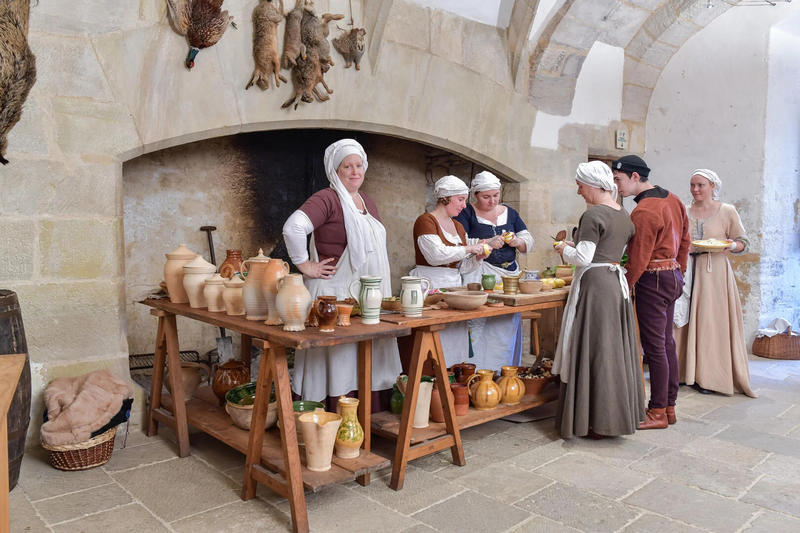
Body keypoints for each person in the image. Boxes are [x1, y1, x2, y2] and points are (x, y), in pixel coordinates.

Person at [282, 138, 401, 409]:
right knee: (340, 357)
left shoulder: (366, 201)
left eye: (359, 165)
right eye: (347, 166)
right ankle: (334, 413)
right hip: (334, 295)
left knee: (364, 354)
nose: (355, 171)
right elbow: (293, 228)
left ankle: (367, 416)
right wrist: (305, 264)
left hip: (366, 296)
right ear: (335, 171)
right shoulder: (328, 198)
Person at [552, 161, 645, 439]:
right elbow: (605, 250)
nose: (579, 192)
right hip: (614, 283)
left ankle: (592, 419)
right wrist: (576, 247)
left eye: (580, 186)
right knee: (611, 350)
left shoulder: (592, 216)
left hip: (596, 288)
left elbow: (584, 258)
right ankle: (613, 416)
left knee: (596, 350)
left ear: (592, 186)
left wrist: (562, 249)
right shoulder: (622, 214)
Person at [612, 154, 690, 430]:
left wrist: (626, 285)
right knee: (666, 343)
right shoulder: (673, 199)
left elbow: (639, 256)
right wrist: (678, 270)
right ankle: (668, 407)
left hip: (653, 280)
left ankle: (656, 411)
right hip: (671, 277)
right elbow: (686, 240)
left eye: (618, 180)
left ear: (635, 177)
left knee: (655, 347)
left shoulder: (644, 211)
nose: (616, 185)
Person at [673, 169, 755, 397]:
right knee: (682, 319)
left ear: (712, 186)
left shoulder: (727, 211)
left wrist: (729, 245)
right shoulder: (684, 210)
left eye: (700, 185)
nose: (695, 189)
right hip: (687, 268)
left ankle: (710, 377)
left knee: (711, 322)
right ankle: (682, 373)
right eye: (692, 185)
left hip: (715, 272)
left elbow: (743, 243)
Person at [455, 170, 534, 369]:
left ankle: (501, 369)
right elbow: (459, 243)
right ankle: (474, 369)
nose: (492, 201)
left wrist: (517, 241)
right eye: (486, 197)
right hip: (480, 274)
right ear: (476, 196)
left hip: (508, 277)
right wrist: (487, 242)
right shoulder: (467, 213)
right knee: (478, 324)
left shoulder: (510, 213)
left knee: (503, 325)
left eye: (496, 195)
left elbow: (528, 240)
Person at [410, 175, 488, 367]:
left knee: (453, 338)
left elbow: (460, 265)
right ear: (445, 198)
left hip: (453, 287)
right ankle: (429, 383)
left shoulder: (458, 227)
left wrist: (477, 258)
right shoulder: (426, 221)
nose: (464, 205)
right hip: (430, 286)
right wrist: (470, 248)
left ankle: (452, 383)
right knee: (434, 337)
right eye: (460, 199)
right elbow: (435, 256)